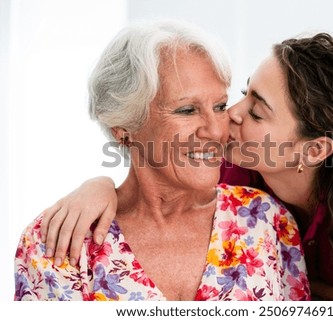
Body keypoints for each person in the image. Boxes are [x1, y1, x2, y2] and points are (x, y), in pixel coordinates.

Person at [38, 32, 333, 300]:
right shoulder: (235, 176)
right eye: (241, 94)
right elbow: (155, 163)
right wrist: (99, 184)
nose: (228, 115)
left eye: (257, 111)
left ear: (312, 151)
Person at [14, 20, 311, 301]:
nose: (216, 130)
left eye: (219, 105)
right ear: (125, 128)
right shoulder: (57, 241)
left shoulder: (266, 219)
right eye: (186, 110)